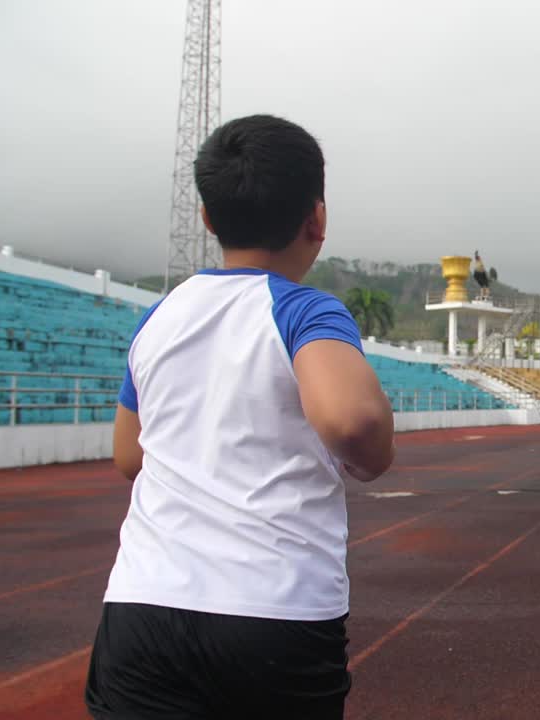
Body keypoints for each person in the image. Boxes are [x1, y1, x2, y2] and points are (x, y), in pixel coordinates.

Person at [86, 115, 396, 720]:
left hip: (141, 609)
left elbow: (129, 456)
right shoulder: (306, 309)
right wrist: (371, 455)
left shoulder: (160, 317)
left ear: (208, 218)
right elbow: (354, 422)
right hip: (273, 615)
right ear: (318, 217)